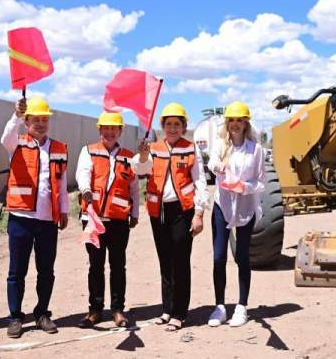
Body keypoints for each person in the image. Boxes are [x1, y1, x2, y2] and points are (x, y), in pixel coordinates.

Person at [133, 102, 209, 332]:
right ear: (162, 126)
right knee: (165, 262)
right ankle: (167, 309)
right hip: (158, 213)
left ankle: (180, 313)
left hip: (182, 212)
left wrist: (199, 213)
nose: (173, 128)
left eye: (177, 124)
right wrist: (144, 156)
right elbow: (140, 170)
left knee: (180, 262)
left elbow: (200, 181)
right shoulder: (153, 147)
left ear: (184, 126)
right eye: (168, 124)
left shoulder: (190, 148)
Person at [1, 95, 69, 338]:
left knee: (46, 270)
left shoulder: (59, 148)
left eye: (44, 119)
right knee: (16, 271)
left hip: (48, 220)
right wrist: (16, 116)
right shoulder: (16, 142)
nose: (40, 123)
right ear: (27, 120)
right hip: (21, 217)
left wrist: (64, 210)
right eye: (35, 119)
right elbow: (5, 137)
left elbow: (60, 185)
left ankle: (42, 313)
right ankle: (15, 317)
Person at [76, 112, 143, 328]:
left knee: (117, 265)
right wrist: (86, 190)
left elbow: (133, 188)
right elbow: (83, 173)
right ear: (99, 129)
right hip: (93, 219)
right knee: (95, 265)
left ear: (120, 131)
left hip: (119, 221)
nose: (109, 131)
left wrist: (134, 215)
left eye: (114, 128)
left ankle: (117, 310)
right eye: (105, 127)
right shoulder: (88, 151)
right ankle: (95, 310)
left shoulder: (129, 157)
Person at [206, 101, 265, 328]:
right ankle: (220, 306)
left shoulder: (256, 149)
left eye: (240, 120)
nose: (236, 124)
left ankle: (241, 307)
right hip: (223, 206)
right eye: (232, 120)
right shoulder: (220, 145)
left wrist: (244, 187)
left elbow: (260, 182)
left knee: (241, 257)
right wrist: (217, 166)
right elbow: (211, 162)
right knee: (219, 257)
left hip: (245, 207)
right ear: (227, 123)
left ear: (246, 123)